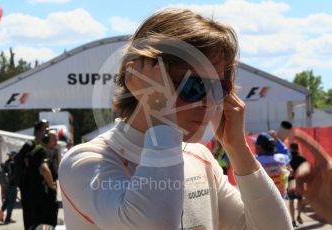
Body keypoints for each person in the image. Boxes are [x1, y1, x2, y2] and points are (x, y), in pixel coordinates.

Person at [59, 8, 292, 229]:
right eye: (195, 85)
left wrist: (238, 150)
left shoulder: (199, 157)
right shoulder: (86, 161)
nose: (209, 103)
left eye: (219, 87)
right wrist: (161, 111)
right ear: (140, 80)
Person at [292, 129, 332, 224]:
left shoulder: (291, 158)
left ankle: (295, 218)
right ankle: (297, 216)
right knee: (297, 200)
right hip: (302, 185)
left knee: (293, 201)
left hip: (297, 185)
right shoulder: (301, 158)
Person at [17, 119, 49, 230]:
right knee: (31, 219)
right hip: (29, 190)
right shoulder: (29, 145)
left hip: (36, 190)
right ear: (38, 131)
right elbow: (19, 162)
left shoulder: (39, 146)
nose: (46, 132)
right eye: (45, 129)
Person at [26, 130, 59, 229]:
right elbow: (44, 169)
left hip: (35, 196)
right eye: (55, 139)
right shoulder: (43, 151)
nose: (57, 141)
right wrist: (52, 185)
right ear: (46, 139)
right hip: (44, 197)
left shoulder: (36, 150)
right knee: (46, 224)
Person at [254, 132, 291, 198]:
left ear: (259, 147)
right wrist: (278, 141)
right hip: (280, 198)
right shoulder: (282, 158)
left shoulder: (255, 161)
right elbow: (288, 154)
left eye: (255, 144)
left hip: (263, 199)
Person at [287, 143, 306, 227]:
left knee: (291, 201)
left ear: (290, 148)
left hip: (291, 182)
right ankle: (299, 215)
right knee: (300, 199)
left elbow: (285, 169)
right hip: (300, 182)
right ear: (297, 148)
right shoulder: (302, 158)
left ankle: (293, 220)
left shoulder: (287, 158)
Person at [0, 151, 18, 224]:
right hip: (12, 185)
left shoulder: (5, 163)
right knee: (11, 203)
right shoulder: (13, 164)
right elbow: (14, 175)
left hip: (6, 186)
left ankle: (0, 216)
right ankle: (8, 218)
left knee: (6, 201)